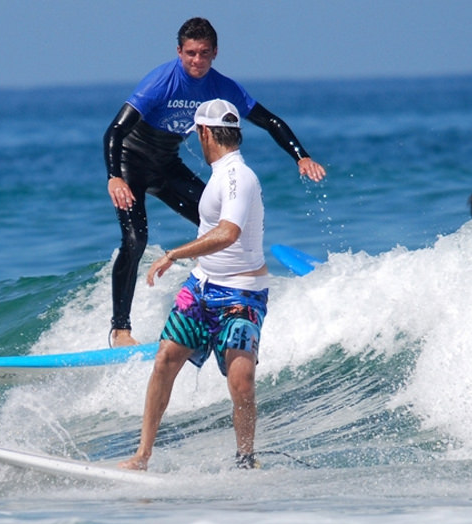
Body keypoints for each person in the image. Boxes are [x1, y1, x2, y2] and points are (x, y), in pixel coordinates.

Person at [104, 17, 326, 347]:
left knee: (222, 229)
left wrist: (301, 156)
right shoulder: (160, 82)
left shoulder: (222, 87)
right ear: (179, 51)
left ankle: (220, 298)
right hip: (130, 163)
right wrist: (114, 178)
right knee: (136, 239)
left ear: (215, 53)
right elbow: (115, 132)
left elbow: (270, 121)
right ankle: (120, 329)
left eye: (204, 53)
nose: (197, 60)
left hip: (166, 165)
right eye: (191, 53)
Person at [119, 99, 268, 471]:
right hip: (201, 288)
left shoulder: (237, 176)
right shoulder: (222, 174)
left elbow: (228, 233)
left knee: (241, 379)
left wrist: (174, 254)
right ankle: (142, 456)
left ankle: (246, 459)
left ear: (203, 132)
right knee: (165, 360)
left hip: (241, 292)